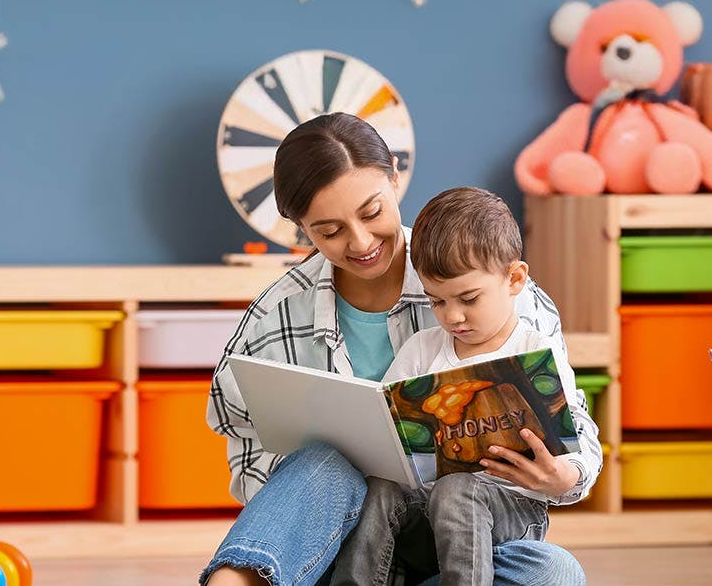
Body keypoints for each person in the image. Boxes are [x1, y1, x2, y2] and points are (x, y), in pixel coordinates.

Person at [202, 113, 592, 586]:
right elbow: (247, 453)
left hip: (464, 547)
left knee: (553, 572)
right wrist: (333, 491)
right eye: (329, 231)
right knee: (324, 464)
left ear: (393, 174)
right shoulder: (275, 318)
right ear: (300, 227)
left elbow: (574, 426)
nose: (361, 242)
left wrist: (564, 479)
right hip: (337, 548)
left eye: (371, 213)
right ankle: (237, 580)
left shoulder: (499, 289)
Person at [329, 186, 601, 586]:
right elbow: (384, 423)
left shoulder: (533, 350)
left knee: (459, 488)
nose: (452, 316)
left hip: (510, 510)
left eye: (469, 298)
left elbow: (575, 430)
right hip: (428, 511)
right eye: (436, 302)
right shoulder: (422, 349)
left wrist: (566, 474)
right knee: (384, 487)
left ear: (514, 279)